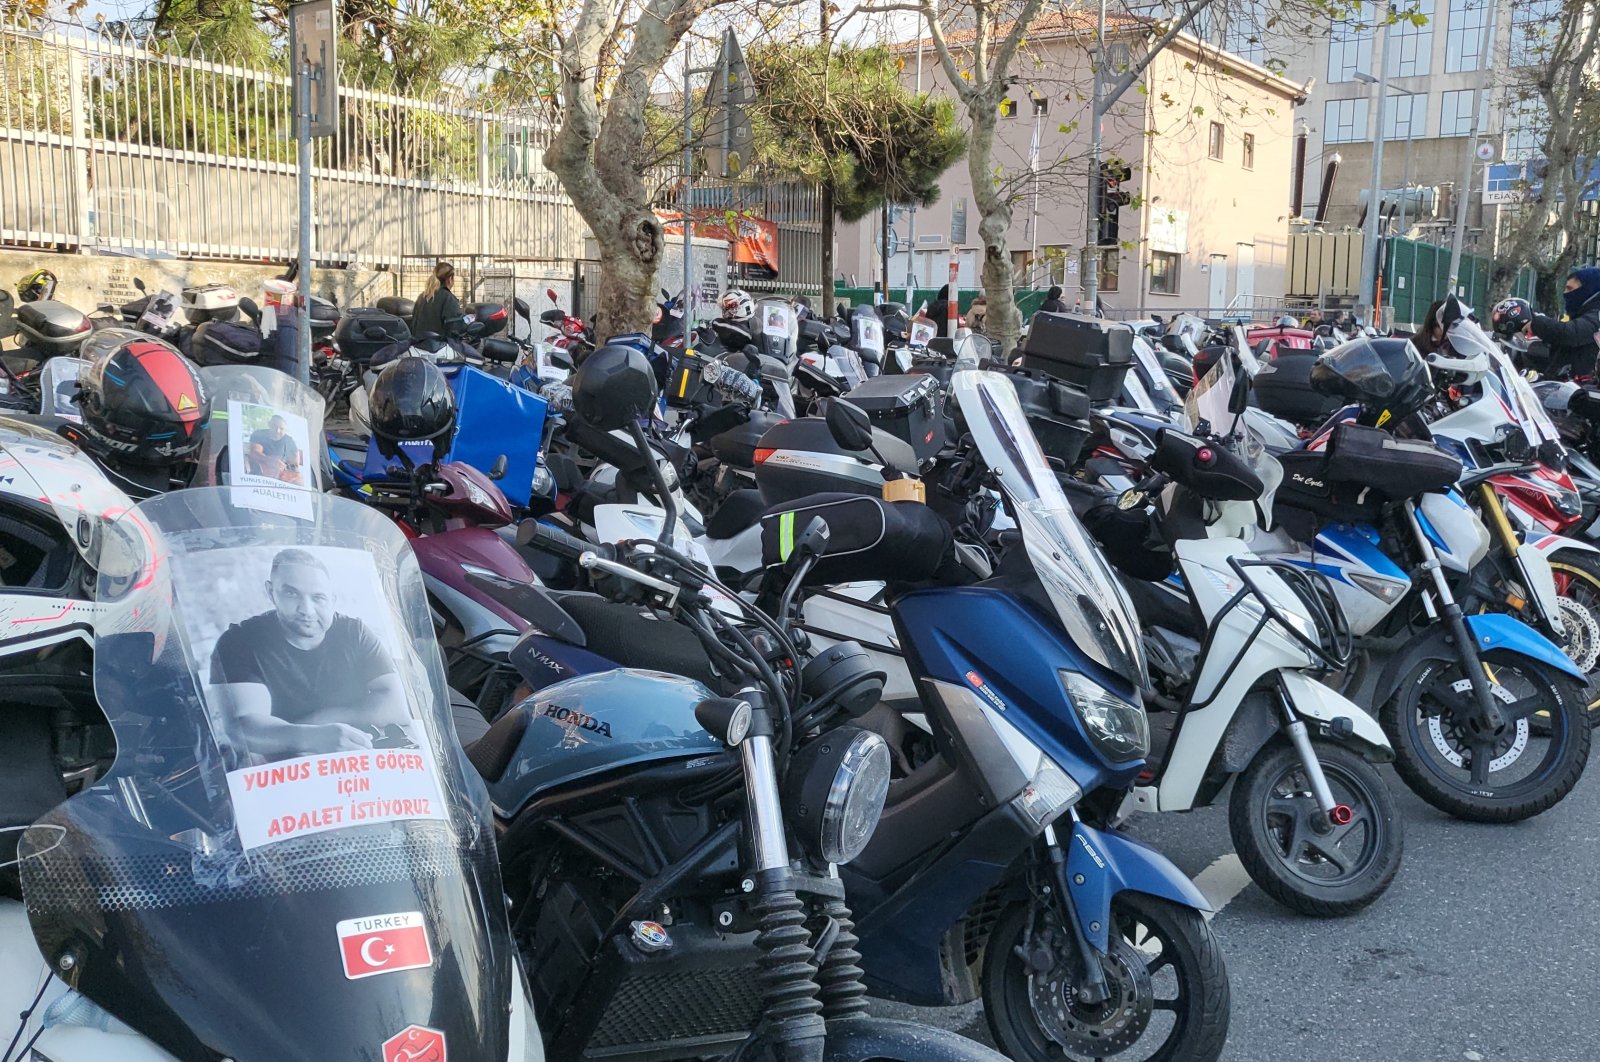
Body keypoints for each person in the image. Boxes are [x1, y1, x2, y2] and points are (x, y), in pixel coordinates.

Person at [209, 548, 408, 761]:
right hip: (279, 772)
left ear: (332, 599)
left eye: (318, 598)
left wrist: (318, 722)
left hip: (360, 759)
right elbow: (243, 728)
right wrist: (313, 738)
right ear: (271, 593)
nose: (307, 610)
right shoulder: (238, 641)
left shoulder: (354, 632)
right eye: (291, 593)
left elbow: (397, 705)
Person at [1529, 267, 1600, 379]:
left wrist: (1535, 323)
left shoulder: (1597, 316)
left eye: (1570, 289)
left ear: (1587, 290)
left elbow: (1569, 333)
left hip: (1582, 391)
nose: (1565, 293)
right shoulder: (1580, 315)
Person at [246, 414, 304, 484]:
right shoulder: (259, 434)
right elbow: (254, 453)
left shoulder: (289, 441)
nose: (278, 431)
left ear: (285, 430)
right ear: (269, 424)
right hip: (258, 475)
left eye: (281, 429)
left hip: (281, 477)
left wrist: (289, 470)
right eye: (274, 426)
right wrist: (270, 460)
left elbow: (295, 464)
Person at [412, 261, 464, 339]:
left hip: (418, 345)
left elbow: (414, 324)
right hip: (440, 347)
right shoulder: (449, 299)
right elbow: (454, 329)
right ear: (450, 279)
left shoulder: (422, 297)